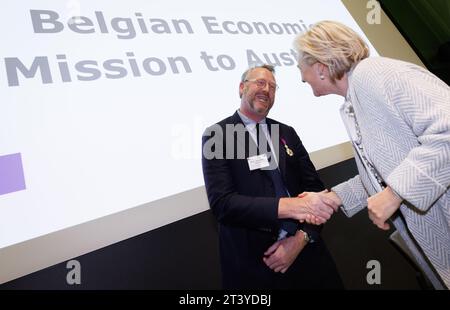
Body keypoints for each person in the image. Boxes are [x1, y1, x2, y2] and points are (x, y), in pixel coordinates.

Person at [294, 20, 450, 289]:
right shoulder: (355, 96)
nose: (301, 77)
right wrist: (334, 198)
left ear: (320, 67)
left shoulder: (376, 74)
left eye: (301, 68)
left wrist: (394, 194)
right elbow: (385, 168)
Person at [201, 64, 343, 289]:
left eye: (273, 87)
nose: (266, 89)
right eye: (260, 82)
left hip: (308, 253)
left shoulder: (286, 132)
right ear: (241, 87)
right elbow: (223, 204)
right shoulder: (218, 135)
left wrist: (300, 240)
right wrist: (290, 207)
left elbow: (316, 190)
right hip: (257, 264)